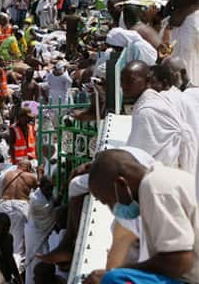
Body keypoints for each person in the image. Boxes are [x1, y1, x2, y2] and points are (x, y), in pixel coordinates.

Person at [84, 149, 199, 283]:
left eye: (109, 201)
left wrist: (119, 271)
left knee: (114, 280)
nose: (112, 209)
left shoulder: (155, 188)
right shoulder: (161, 178)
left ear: (121, 184)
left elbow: (180, 260)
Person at [122, 60, 197, 173]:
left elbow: (136, 156)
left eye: (130, 81)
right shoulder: (152, 101)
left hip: (165, 176)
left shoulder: (147, 111)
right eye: (122, 81)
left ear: (147, 81)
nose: (124, 85)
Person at [0, 160, 38, 256]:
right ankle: (14, 263)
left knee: (1, 235)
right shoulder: (31, 176)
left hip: (3, 205)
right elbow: (39, 189)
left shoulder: (7, 174)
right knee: (17, 243)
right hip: (19, 206)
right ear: (28, 168)